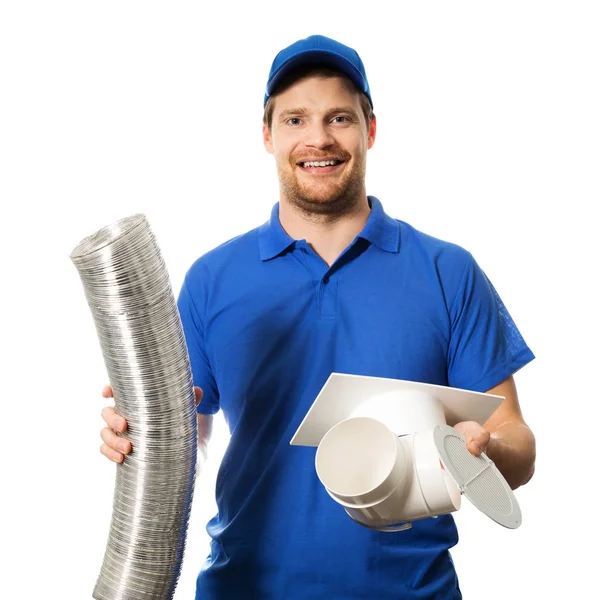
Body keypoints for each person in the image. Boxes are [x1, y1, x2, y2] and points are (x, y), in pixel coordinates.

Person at [99, 34, 536, 599]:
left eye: (339, 118)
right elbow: (192, 436)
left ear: (370, 130)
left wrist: (484, 450)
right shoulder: (214, 279)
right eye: (295, 119)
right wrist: (139, 433)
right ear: (268, 135)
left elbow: (517, 443)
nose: (318, 139)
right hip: (245, 589)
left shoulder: (447, 271)